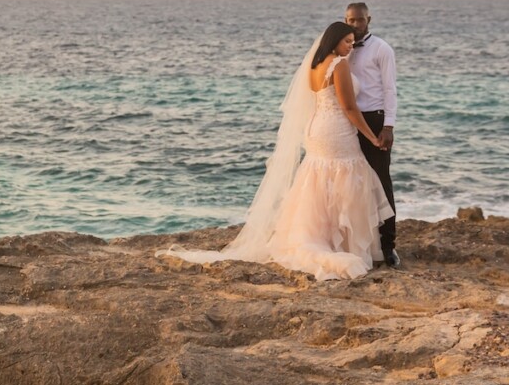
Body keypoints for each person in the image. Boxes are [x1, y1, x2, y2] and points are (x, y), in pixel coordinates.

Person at [159, 22, 394, 281]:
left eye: (352, 42)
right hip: (336, 130)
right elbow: (349, 109)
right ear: (335, 40)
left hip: (316, 129)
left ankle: (320, 237)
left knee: (319, 179)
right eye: (347, 42)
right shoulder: (339, 65)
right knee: (345, 178)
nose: (351, 47)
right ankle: (341, 245)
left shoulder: (315, 65)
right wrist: (372, 137)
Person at [344, 2, 400, 269]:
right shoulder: (341, 50)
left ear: (369, 19)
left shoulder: (382, 49)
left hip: (375, 120)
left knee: (381, 180)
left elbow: (390, 90)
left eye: (359, 20)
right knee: (350, 182)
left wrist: (388, 126)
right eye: (350, 20)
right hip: (346, 121)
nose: (355, 25)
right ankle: (355, 241)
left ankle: (388, 246)